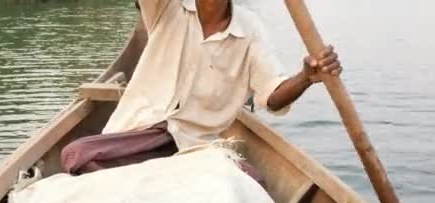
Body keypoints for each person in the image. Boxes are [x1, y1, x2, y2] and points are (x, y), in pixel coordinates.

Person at [61, 0, 342, 176]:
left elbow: (272, 97)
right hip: (140, 133)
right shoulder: (166, 8)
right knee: (76, 154)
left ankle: (157, 180)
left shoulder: (250, 29)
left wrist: (306, 76)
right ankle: (161, 181)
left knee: (251, 183)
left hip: (196, 147)